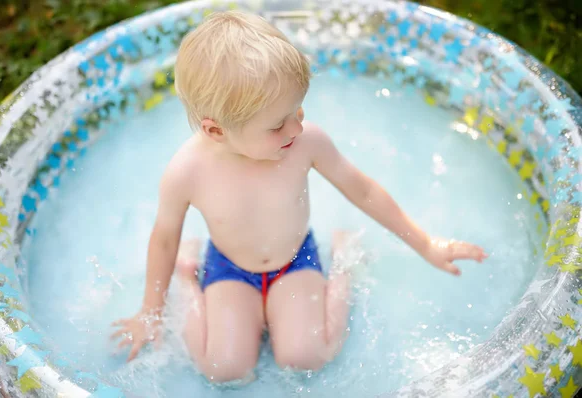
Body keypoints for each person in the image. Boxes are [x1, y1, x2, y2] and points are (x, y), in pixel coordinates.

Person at [111, 10, 488, 383]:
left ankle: (344, 264)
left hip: (293, 262)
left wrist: (425, 243)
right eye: (277, 124)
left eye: (298, 110)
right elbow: (164, 237)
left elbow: (363, 189)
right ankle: (187, 275)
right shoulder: (187, 171)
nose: (296, 126)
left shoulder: (305, 142)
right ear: (216, 131)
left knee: (306, 357)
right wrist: (150, 310)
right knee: (222, 369)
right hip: (229, 267)